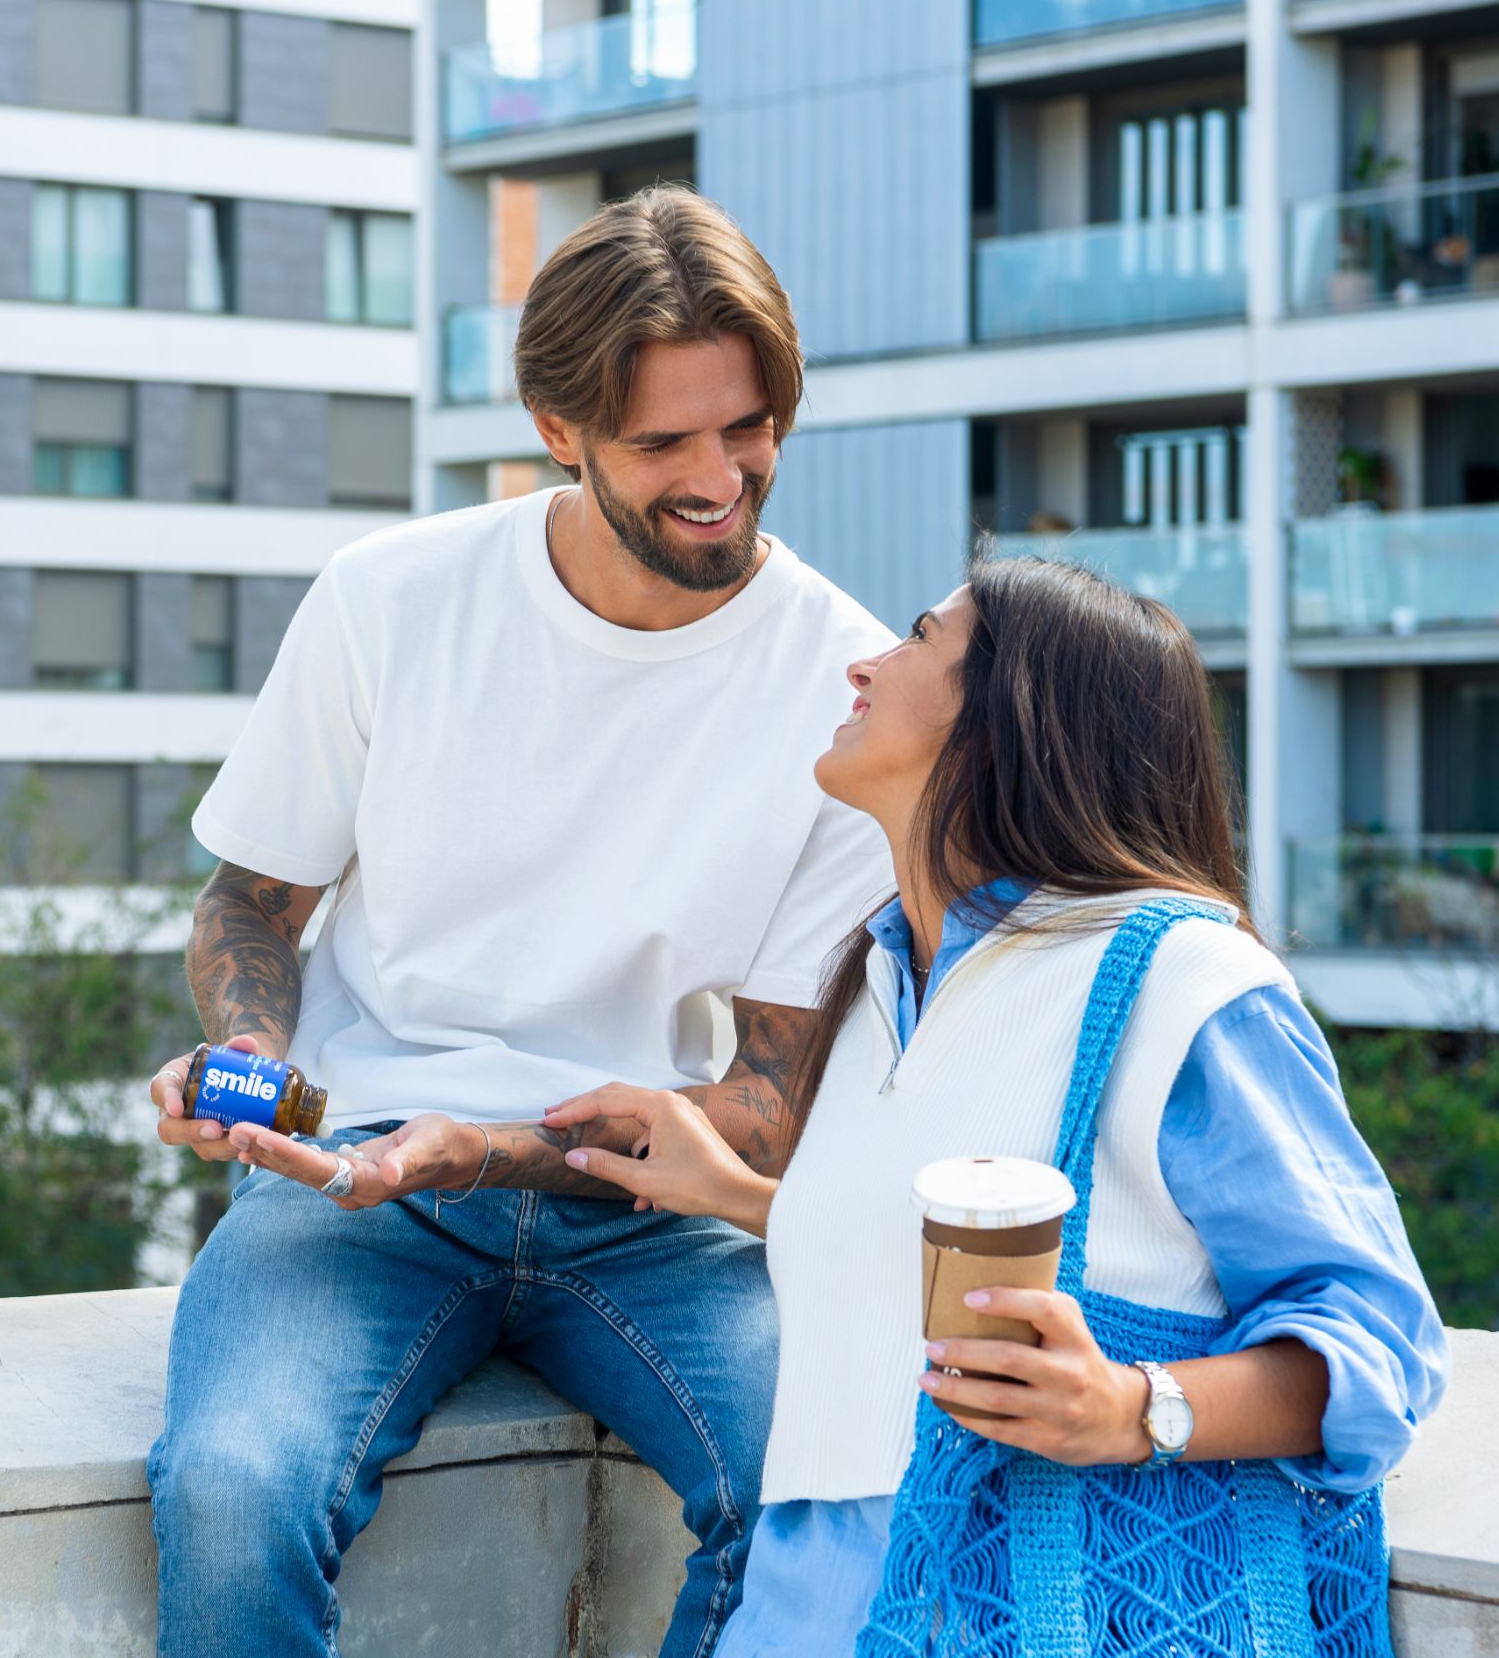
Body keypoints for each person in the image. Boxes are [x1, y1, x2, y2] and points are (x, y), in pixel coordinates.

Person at [145, 187, 894, 1658]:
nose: (721, 480)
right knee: (235, 1491)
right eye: (664, 443)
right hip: (358, 1189)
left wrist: (487, 1146)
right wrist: (250, 1063)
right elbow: (255, 902)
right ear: (559, 428)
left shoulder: (850, 688)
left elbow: (762, 1109)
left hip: (667, 1227)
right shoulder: (391, 600)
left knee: (827, 1497)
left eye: (748, 429)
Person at [542, 558, 1450, 1654]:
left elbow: (1379, 1343)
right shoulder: (877, 978)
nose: (864, 662)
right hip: (805, 1609)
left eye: (918, 638)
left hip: (1035, 1609)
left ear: (1011, 720)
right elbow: (920, 1271)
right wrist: (736, 1192)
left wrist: (1130, 1407)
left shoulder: (1180, 979)